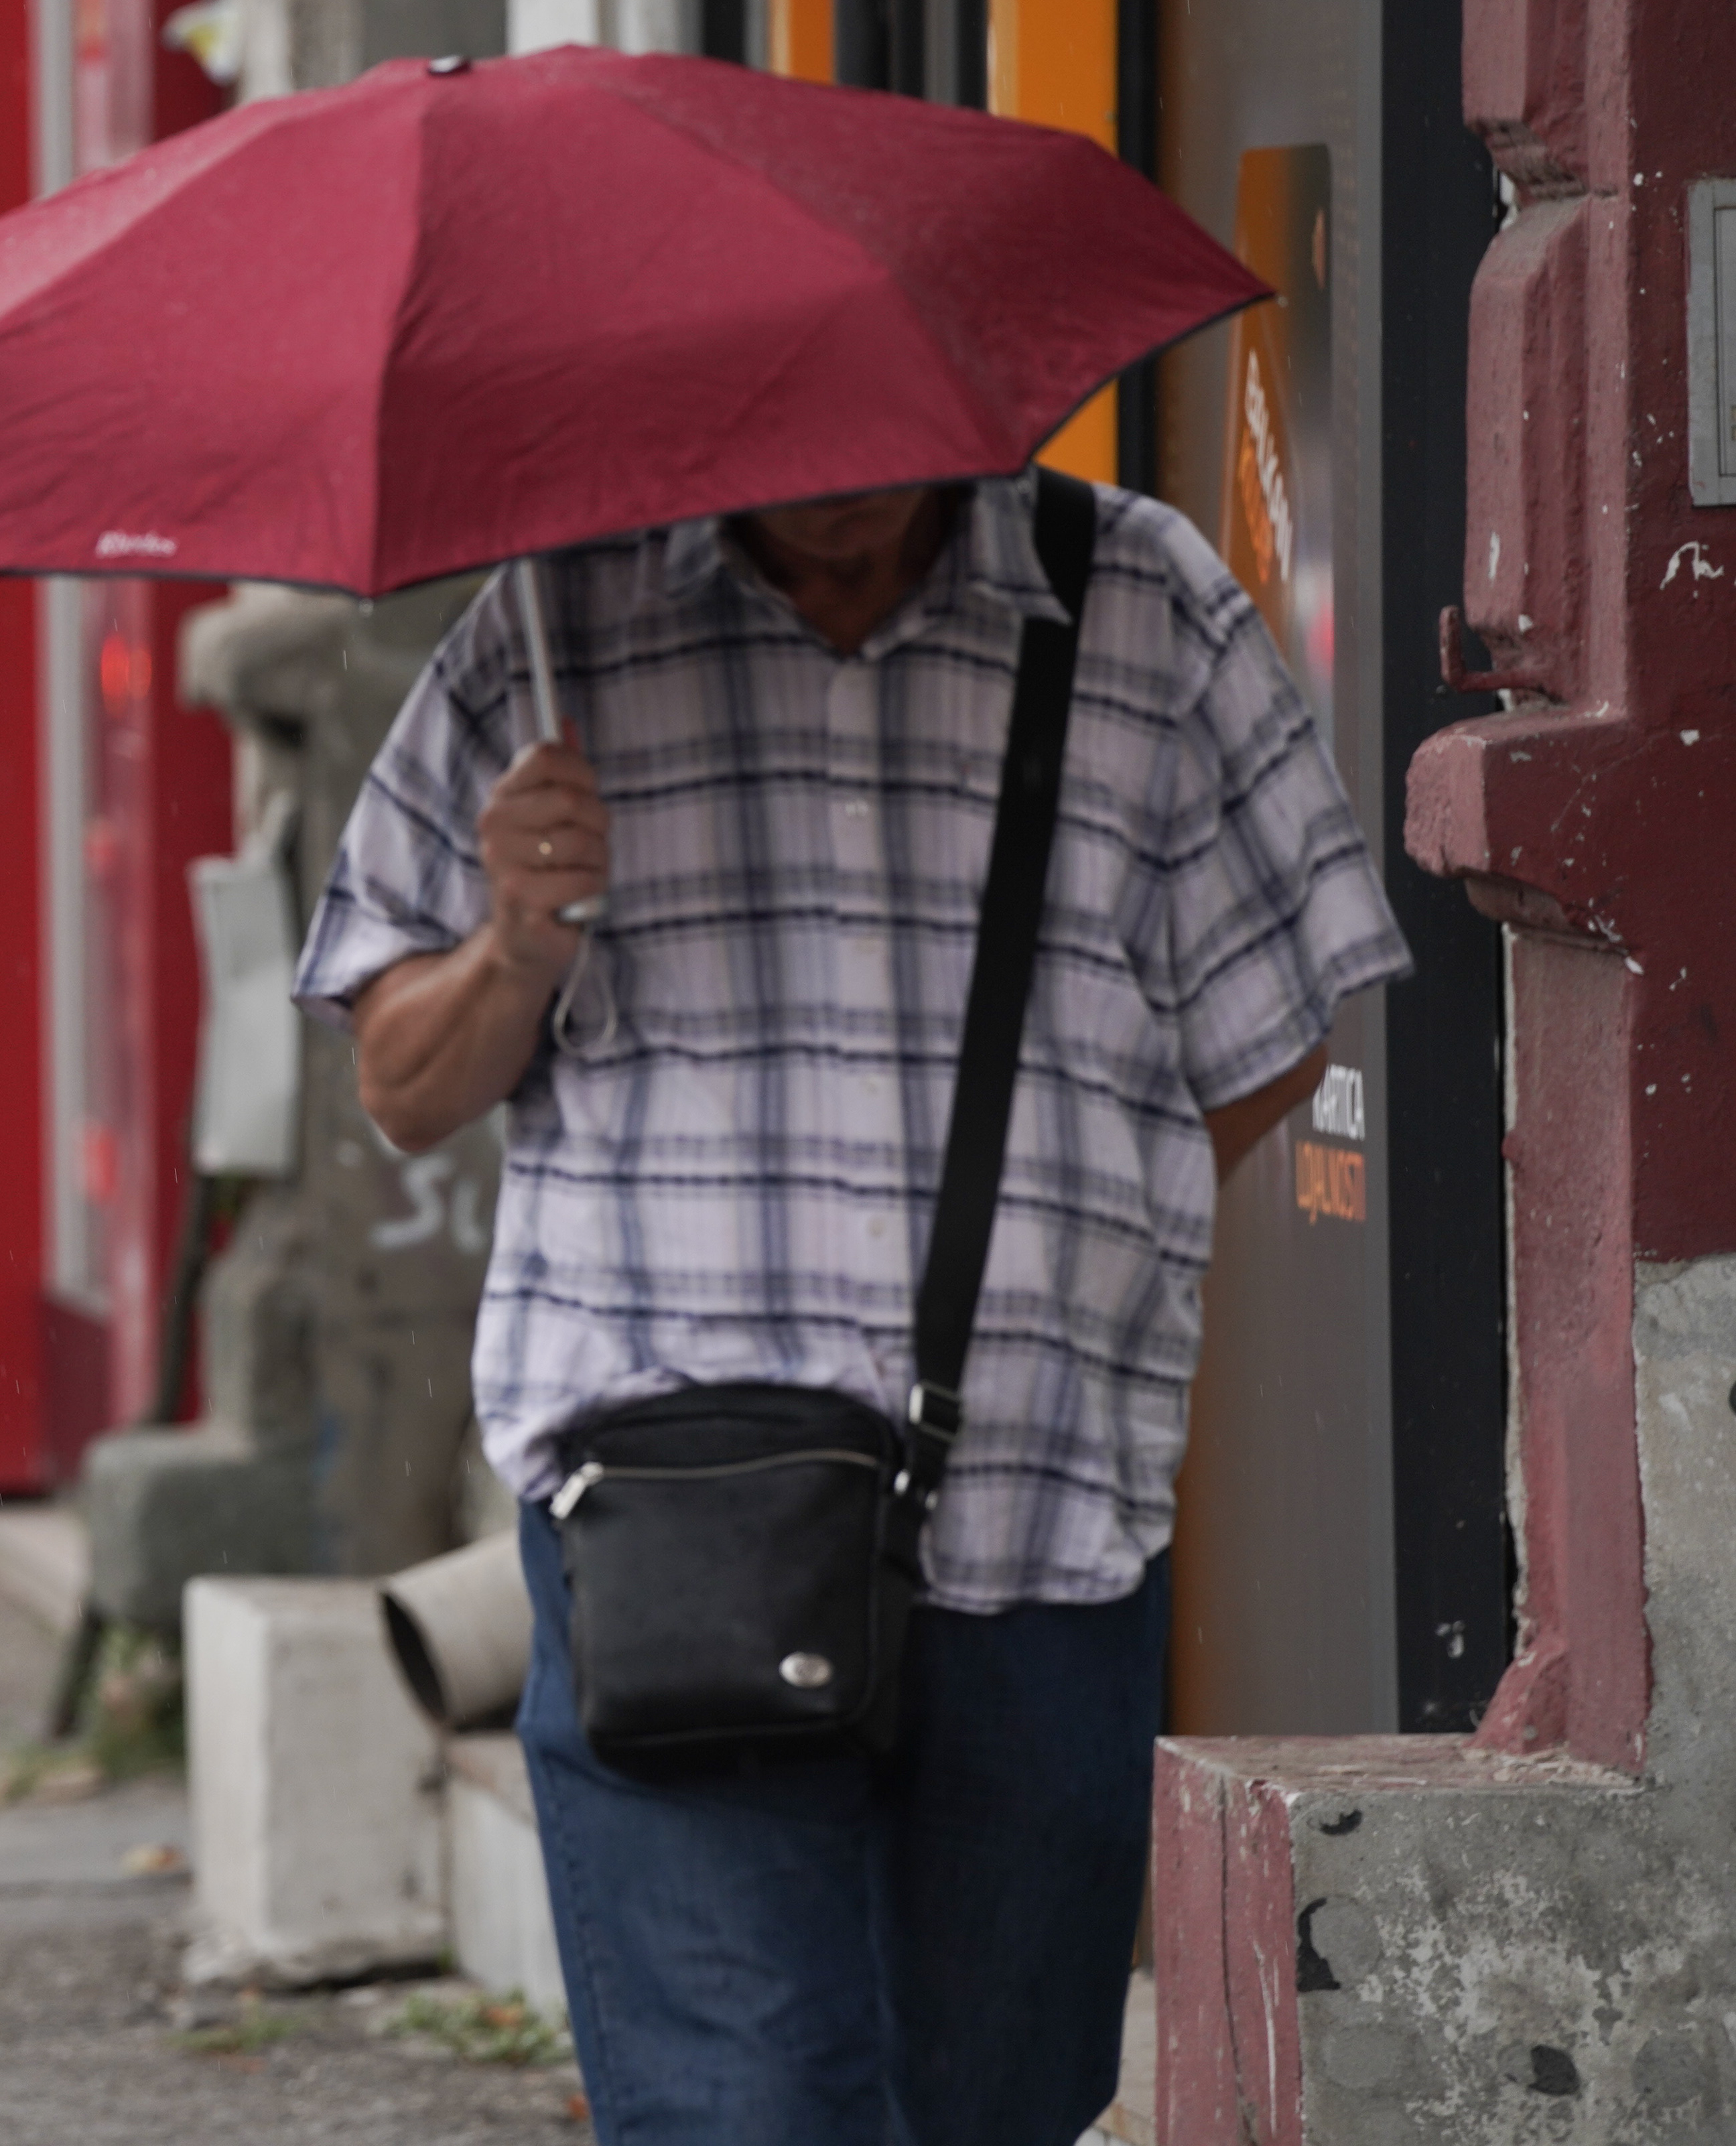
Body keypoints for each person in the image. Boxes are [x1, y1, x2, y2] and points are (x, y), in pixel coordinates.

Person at [300, 477, 1407, 2146]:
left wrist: (1081, 1230)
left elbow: (1274, 1024)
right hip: (679, 1524)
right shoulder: (553, 622)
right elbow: (399, 1080)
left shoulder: (1135, 598)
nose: (840, 494)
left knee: (998, 2106)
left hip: (1045, 1520)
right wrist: (516, 943)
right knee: (742, 2112)